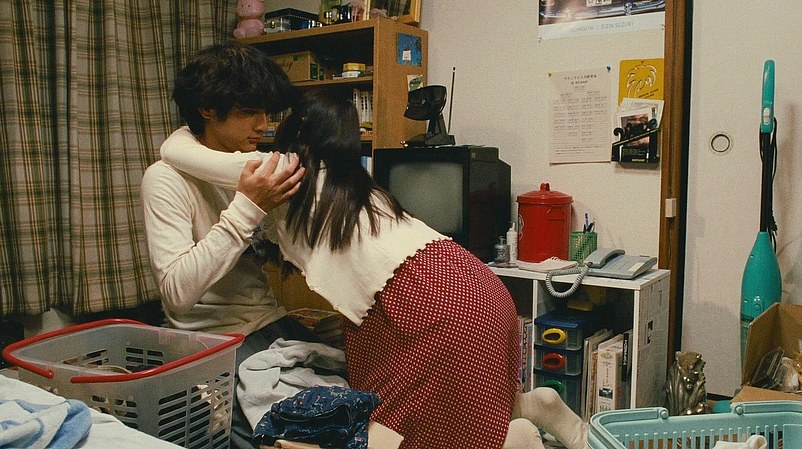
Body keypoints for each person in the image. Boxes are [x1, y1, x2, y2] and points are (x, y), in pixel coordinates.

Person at [158, 89, 589, 449]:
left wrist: (189, 125)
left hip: (428, 301)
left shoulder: (287, 171)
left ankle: (512, 439)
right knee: (455, 403)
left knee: (403, 423)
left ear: (297, 135)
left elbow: (175, 153)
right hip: (476, 284)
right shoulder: (360, 186)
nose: (264, 127)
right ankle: (529, 408)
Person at [140, 41, 320, 449]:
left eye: (267, 112)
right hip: (213, 340)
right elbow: (176, 294)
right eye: (249, 111)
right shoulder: (165, 178)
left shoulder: (245, 163)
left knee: (343, 408)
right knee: (277, 437)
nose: (263, 124)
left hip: (269, 324)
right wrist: (248, 208)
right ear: (207, 108)